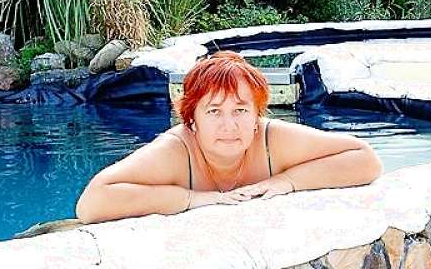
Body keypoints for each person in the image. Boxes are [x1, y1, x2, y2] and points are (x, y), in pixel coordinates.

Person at [75, 51, 382, 224]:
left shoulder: (270, 138)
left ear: (257, 115)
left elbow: (365, 160)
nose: (229, 125)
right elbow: (92, 203)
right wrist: (193, 199)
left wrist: (286, 181)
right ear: (192, 119)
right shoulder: (177, 150)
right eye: (213, 111)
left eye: (240, 110)